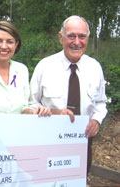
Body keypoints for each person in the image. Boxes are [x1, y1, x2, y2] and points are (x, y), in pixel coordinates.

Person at [29, 15, 108, 172]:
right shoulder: (45, 66)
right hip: (47, 140)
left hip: (83, 141)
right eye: (71, 36)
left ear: (87, 38)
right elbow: (31, 103)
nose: (77, 42)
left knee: (78, 179)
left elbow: (101, 102)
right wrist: (48, 112)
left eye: (82, 36)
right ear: (61, 37)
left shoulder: (95, 67)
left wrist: (97, 120)